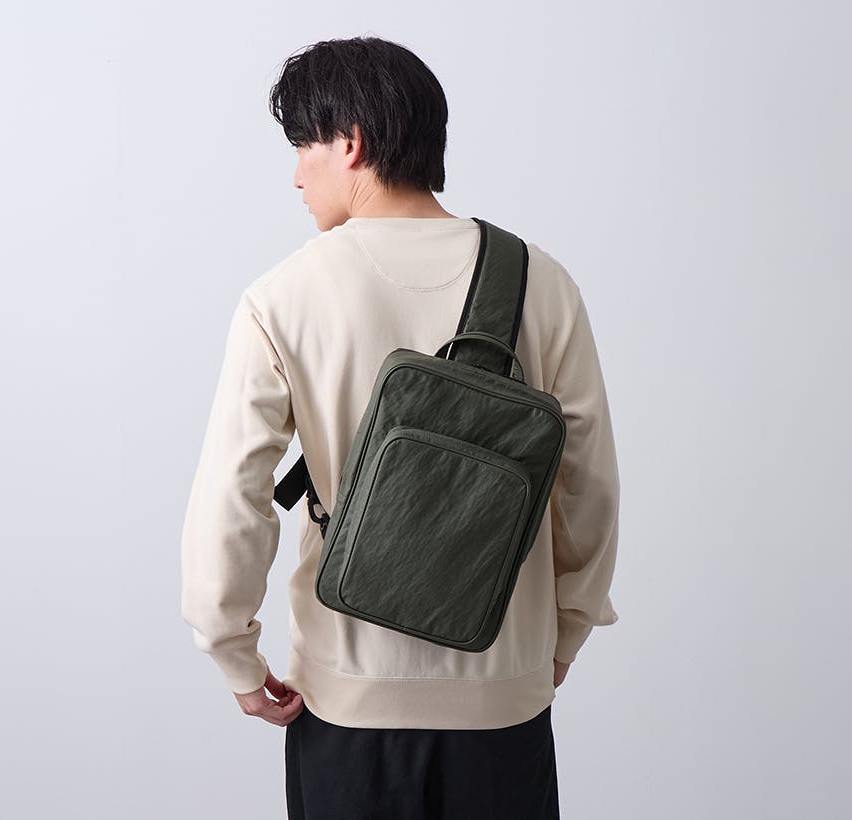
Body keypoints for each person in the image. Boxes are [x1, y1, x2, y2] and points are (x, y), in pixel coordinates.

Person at [180, 35, 620, 819]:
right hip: (504, 701)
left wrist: (234, 654)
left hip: (347, 705)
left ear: (350, 142)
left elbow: (232, 497)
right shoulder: (542, 283)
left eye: (304, 145)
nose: (296, 174)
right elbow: (588, 489)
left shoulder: (283, 296)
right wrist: (562, 637)